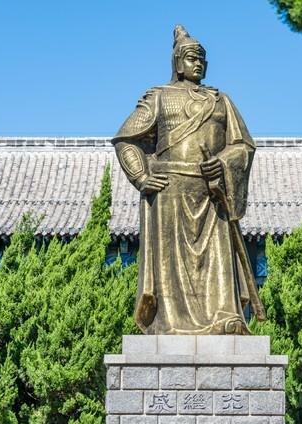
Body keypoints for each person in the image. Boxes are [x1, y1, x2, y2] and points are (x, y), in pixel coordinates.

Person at [112, 25, 265, 335]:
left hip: (212, 193)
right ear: (177, 62)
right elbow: (126, 140)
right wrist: (141, 177)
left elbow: (243, 146)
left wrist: (223, 162)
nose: (199, 64)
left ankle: (224, 317)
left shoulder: (221, 101)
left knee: (216, 261)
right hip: (170, 191)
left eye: (202, 59)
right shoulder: (158, 97)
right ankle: (169, 321)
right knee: (171, 266)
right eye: (192, 58)